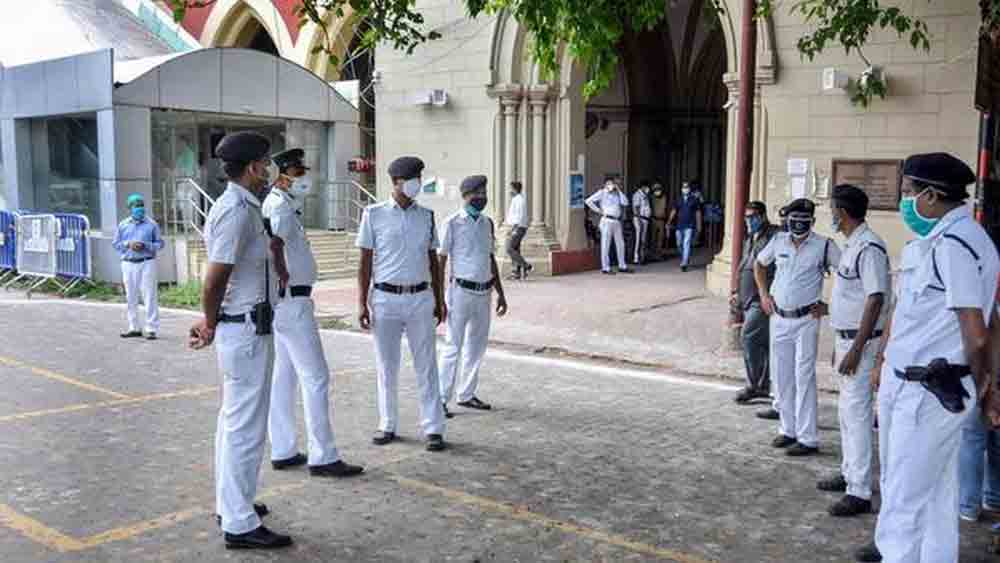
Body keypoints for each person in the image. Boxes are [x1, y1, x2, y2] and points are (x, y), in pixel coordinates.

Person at [855, 153, 1000, 563]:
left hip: (929, 391)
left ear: (932, 196)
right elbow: (994, 317)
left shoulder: (954, 246)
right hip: (925, 386)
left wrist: (984, 383)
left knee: (903, 501)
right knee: (936, 497)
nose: (904, 202)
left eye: (907, 193)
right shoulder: (967, 240)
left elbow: (977, 330)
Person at [188, 131, 293, 550]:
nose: (268, 170)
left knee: (235, 422)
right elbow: (215, 277)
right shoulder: (235, 210)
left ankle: (234, 503)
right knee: (245, 428)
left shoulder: (245, 207)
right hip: (245, 329)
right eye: (265, 164)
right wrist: (209, 322)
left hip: (247, 327)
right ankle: (239, 523)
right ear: (252, 168)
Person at [262, 148, 364, 478]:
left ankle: (283, 448)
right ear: (280, 174)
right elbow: (273, 245)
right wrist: (283, 277)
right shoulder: (278, 206)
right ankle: (323, 456)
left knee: (284, 378)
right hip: (292, 302)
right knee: (316, 376)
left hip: (288, 302)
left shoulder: (285, 204)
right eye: (296, 171)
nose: (302, 176)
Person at [356, 156, 448, 452]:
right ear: (396, 181)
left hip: (420, 297)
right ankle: (388, 424)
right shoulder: (374, 214)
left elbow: (432, 260)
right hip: (385, 299)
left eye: (419, 177)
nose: (417, 183)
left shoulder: (427, 216)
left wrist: (439, 298)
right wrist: (361, 302)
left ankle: (433, 428)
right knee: (387, 365)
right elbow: (365, 262)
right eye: (413, 178)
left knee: (427, 365)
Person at [814, 185, 890, 518]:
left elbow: (876, 299)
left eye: (832, 209)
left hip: (862, 344)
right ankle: (849, 473)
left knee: (857, 415)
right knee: (846, 412)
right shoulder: (852, 245)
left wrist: (856, 349)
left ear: (842, 212)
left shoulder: (869, 247)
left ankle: (858, 491)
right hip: (847, 339)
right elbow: (852, 298)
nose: (830, 215)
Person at [755, 198, 840, 457]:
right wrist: (763, 295)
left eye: (804, 221)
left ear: (812, 222)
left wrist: (830, 306)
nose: (798, 225)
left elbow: (849, 274)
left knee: (804, 378)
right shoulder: (779, 241)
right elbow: (759, 264)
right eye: (793, 221)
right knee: (782, 377)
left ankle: (808, 437)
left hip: (806, 321)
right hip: (779, 318)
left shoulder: (824, 246)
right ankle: (787, 430)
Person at [438, 175, 509, 418]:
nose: (481, 197)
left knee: (476, 347)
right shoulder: (451, 223)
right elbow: (441, 260)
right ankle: (440, 399)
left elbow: (490, 258)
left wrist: (500, 292)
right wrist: (438, 297)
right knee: (452, 347)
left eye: (484, 192)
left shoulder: (487, 223)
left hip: (484, 292)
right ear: (465, 195)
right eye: (476, 193)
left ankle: (466, 394)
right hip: (459, 292)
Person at [732, 201, 779, 406]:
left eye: (752, 217)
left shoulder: (774, 237)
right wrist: (736, 292)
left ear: (762, 217)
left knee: (748, 336)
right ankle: (765, 384)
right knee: (763, 343)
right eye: (746, 217)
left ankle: (755, 385)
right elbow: (744, 265)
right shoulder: (750, 237)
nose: (748, 221)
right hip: (747, 298)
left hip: (763, 299)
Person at [113, 193, 164, 340]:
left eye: (141, 205)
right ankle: (134, 327)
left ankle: (151, 328)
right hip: (128, 263)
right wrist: (128, 244)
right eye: (136, 205)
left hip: (147, 262)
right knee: (131, 296)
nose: (139, 208)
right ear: (130, 208)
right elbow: (115, 243)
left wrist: (146, 246)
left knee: (149, 295)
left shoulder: (152, 224)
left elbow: (160, 244)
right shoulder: (123, 225)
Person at [586, 178, 632, 275]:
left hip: (616, 221)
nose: (612, 185)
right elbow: (588, 201)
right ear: (605, 184)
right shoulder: (602, 193)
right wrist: (599, 210)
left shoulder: (617, 194)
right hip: (606, 220)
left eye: (613, 184)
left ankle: (622, 266)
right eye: (609, 183)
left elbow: (626, 202)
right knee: (606, 244)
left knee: (620, 244)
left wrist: (619, 190)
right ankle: (605, 268)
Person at [668, 180, 703, 272]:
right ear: (681, 189)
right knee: (679, 244)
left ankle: (684, 263)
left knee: (686, 243)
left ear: (689, 189)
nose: (685, 189)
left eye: (686, 187)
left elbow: (698, 213)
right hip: (679, 225)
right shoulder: (678, 199)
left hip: (689, 225)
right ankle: (685, 257)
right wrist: (669, 221)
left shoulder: (694, 199)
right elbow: (674, 211)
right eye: (684, 187)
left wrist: (699, 225)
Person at [505, 181, 532, 280]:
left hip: (518, 227)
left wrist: (512, 229)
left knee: (509, 248)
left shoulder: (519, 200)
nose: (509, 191)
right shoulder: (516, 199)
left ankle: (526, 266)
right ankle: (516, 272)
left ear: (515, 189)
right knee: (515, 249)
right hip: (517, 227)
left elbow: (519, 216)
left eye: (511, 189)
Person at [632, 180, 653, 264]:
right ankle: (636, 258)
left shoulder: (645, 195)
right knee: (638, 239)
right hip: (639, 219)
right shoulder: (637, 195)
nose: (648, 189)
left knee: (643, 239)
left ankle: (642, 256)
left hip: (645, 219)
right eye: (647, 187)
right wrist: (639, 219)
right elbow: (636, 208)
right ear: (643, 187)